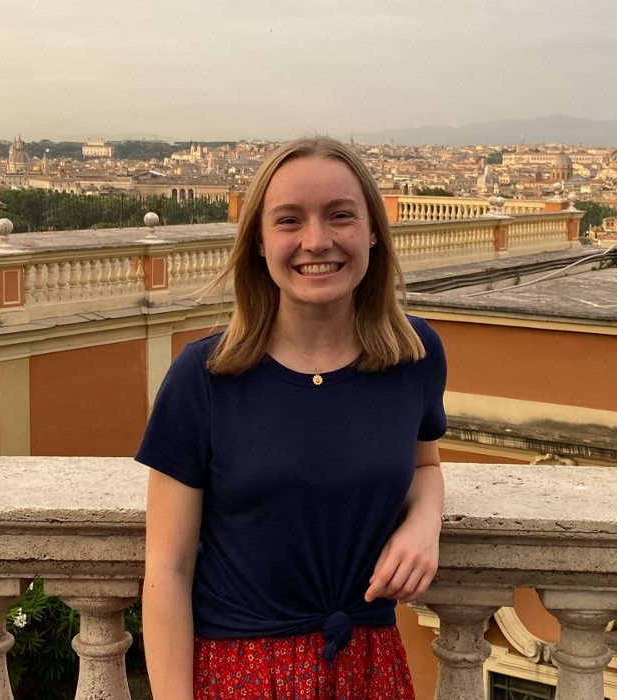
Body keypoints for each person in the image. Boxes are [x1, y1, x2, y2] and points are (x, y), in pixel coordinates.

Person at [136, 135, 447, 699]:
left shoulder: (413, 355)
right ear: (258, 241)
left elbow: (425, 466)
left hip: (370, 669)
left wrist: (425, 523)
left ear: (373, 229)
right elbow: (167, 570)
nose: (316, 240)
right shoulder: (203, 376)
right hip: (243, 674)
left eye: (340, 216)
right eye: (289, 221)